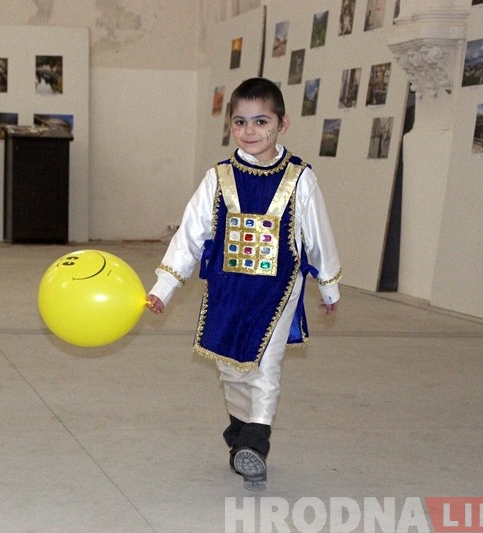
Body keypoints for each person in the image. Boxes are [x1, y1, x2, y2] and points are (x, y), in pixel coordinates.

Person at [146, 77, 342, 491]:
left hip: (278, 288)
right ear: (230, 126)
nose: (250, 131)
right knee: (231, 364)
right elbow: (189, 236)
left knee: (265, 362)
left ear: (282, 124)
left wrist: (328, 287)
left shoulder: (300, 178)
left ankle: (257, 439)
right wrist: (163, 288)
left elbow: (318, 234)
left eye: (260, 121)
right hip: (227, 289)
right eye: (240, 122)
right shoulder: (217, 178)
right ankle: (240, 434)